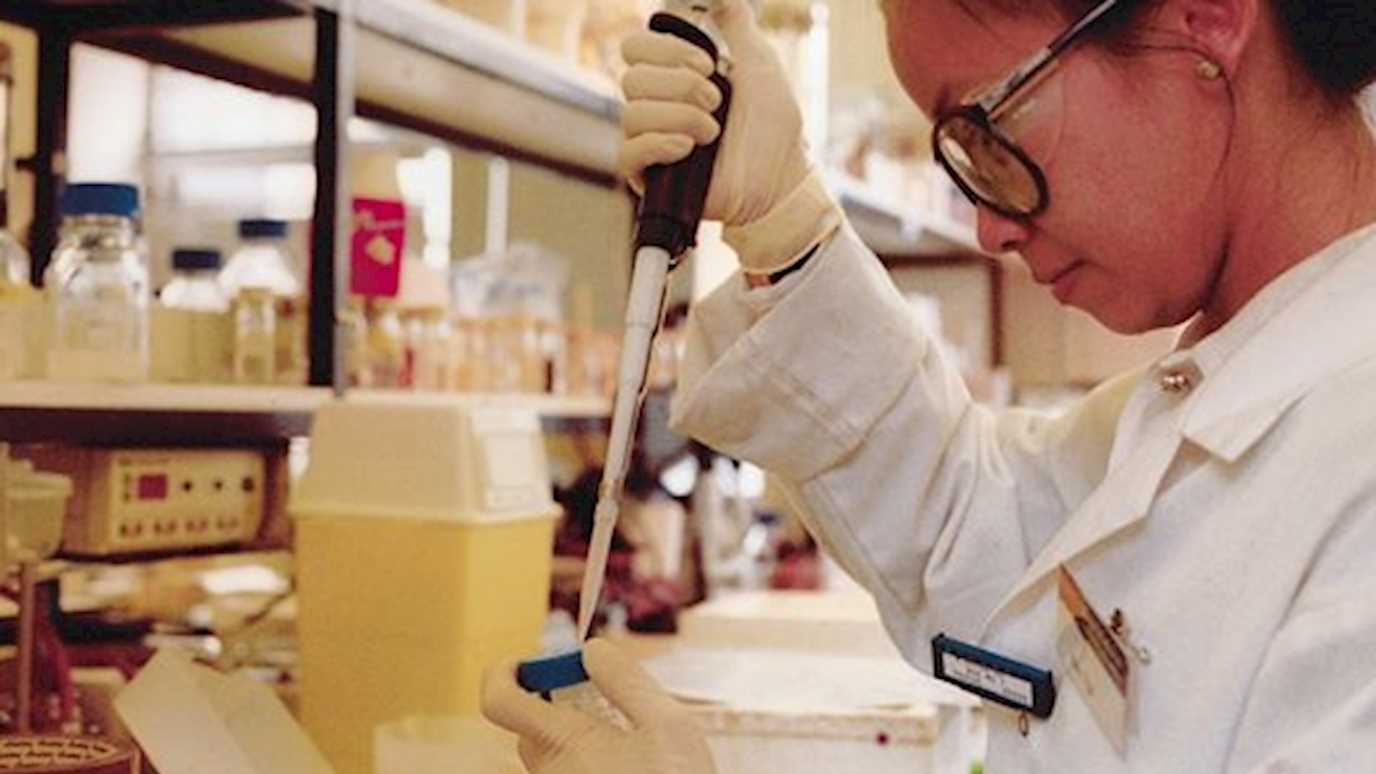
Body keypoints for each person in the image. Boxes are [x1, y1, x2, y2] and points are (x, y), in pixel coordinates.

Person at [482, 0, 1376, 770]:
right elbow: (982, 524)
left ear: (1207, 21)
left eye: (989, 129)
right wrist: (784, 223)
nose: (988, 226)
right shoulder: (1229, 382)